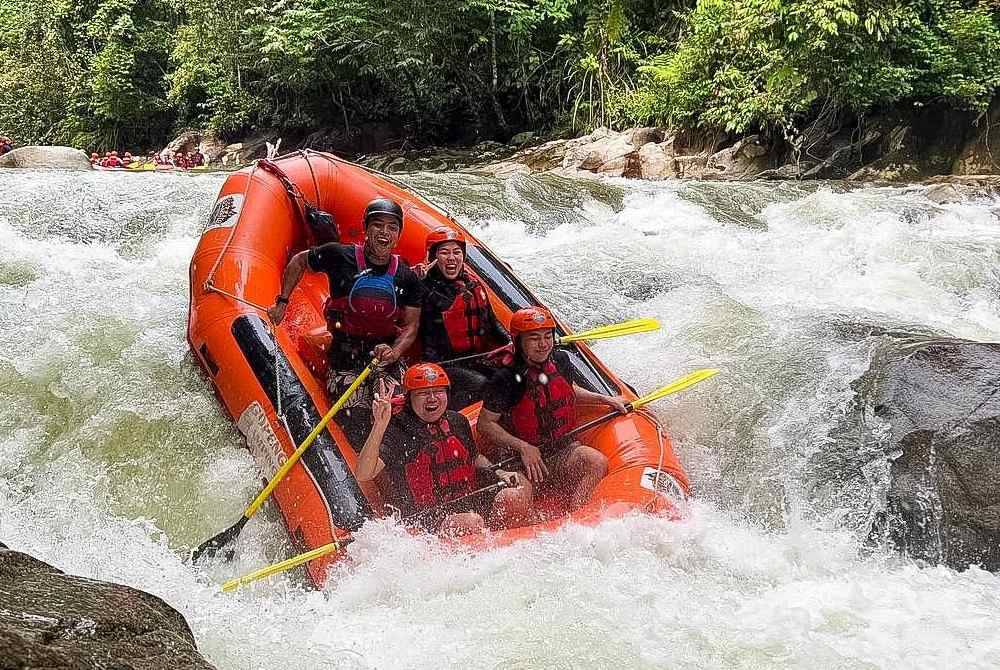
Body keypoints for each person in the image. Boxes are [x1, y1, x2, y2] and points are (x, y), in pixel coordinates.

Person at [269, 197, 423, 449]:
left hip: (385, 358)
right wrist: (282, 302)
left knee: (404, 417)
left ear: (398, 235)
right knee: (358, 426)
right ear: (366, 229)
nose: (384, 233)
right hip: (345, 358)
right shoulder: (340, 255)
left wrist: (395, 352)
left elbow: (411, 327)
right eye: (378, 225)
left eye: (392, 227)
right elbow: (299, 261)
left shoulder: (407, 277)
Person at [478, 307, 627, 511]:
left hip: (562, 450)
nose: (543, 344)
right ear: (519, 341)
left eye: (547, 337)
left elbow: (566, 390)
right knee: (513, 498)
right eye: (534, 338)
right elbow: (485, 424)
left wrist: (604, 399)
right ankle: (530, 525)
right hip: (520, 461)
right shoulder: (506, 378)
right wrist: (523, 447)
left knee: (596, 462)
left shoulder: (560, 360)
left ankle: (577, 516)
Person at [356, 363, 532, 535]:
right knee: (471, 522)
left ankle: (504, 541)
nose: (432, 398)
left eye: (438, 391)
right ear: (409, 398)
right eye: (423, 393)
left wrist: (499, 472)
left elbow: (474, 457)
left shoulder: (457, 421)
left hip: (467, 502)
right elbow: (364, 474)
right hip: (425, 519)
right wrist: (379, 425)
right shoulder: (397, 431)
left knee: (516, 491)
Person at [416, 227, 510, 409]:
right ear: (433, 257)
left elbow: (492, 322)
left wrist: (511, 342)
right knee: (482, 384)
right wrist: (415, 280)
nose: (451, 258)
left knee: (511, 376)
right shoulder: (424, 289)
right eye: (444, 252)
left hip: (475, 359)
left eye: (457, 252)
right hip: (441, 365)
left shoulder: (473, 285)